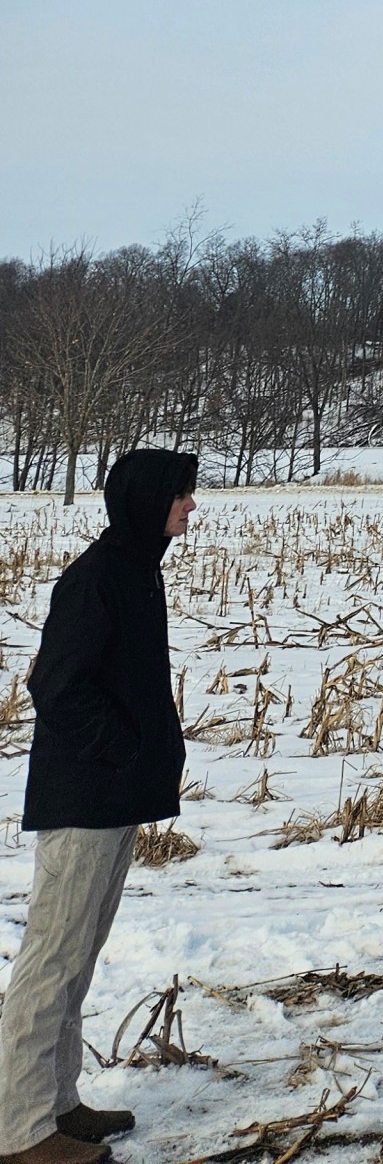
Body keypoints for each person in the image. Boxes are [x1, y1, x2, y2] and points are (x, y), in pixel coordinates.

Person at [0, 449, 199, 1164]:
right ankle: (19, 1132)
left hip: (111, 797)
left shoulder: (136, 568)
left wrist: (144, 760)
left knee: (76, 958)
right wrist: (122, 749)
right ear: (149, 500)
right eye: (182, 494)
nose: (191, 506)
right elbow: (55, 685)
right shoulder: (98, 578)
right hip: (83, 796)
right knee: (51, 960)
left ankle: (57, 1104)